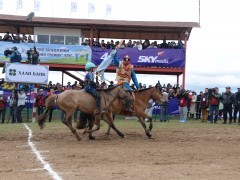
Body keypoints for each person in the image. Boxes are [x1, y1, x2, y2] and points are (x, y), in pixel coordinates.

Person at [112, 40, 140, 112]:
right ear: (123, 59)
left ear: (129, 61)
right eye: (125, 59)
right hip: (119, 84)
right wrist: (116, 50)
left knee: (132, 95)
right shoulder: (119, 63)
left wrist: (138, 87)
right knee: (130, 97)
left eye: (127, 60)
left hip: (127, 85)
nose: (126, 61)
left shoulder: (131, 67)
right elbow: (115, 58)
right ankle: (127, 108)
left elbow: (134, 78)